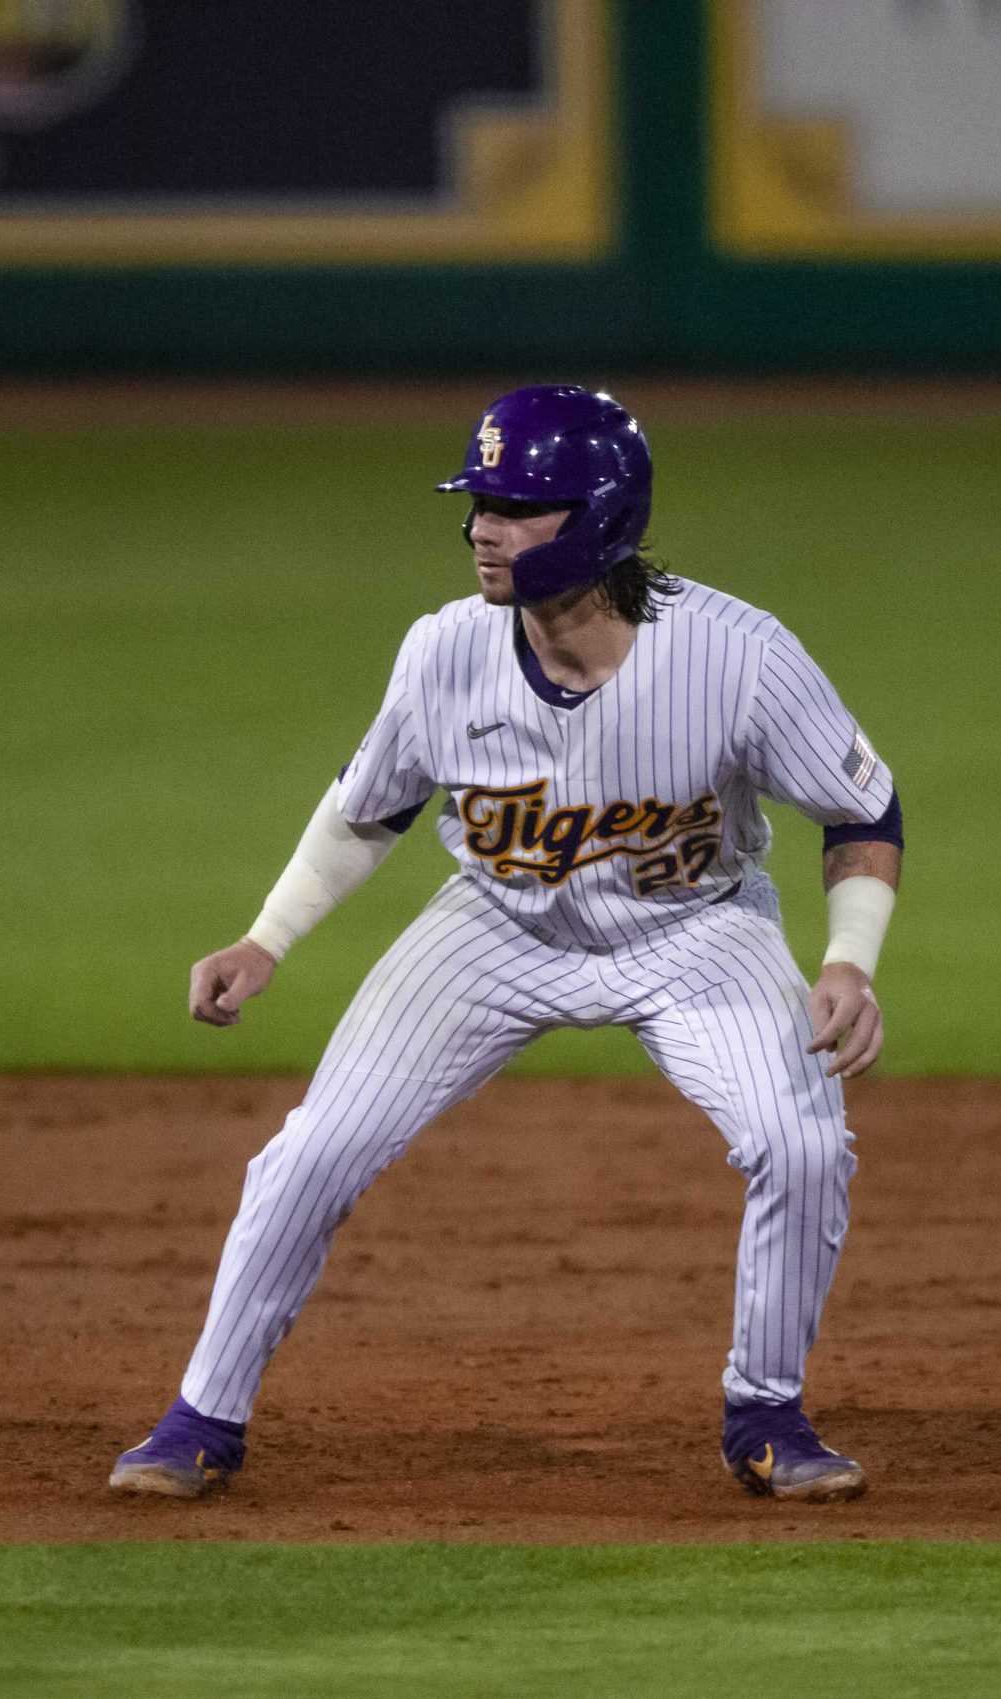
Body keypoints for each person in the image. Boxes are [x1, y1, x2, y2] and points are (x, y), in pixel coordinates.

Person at [109, 385, 904, 1504]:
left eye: (517, 505)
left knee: (804, 1143)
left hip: (697, 930)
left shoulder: (737, 656)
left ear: (599, 517)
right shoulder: (444, 649)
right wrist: (267, 936)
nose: (482, 526)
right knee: (310, 1150)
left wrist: (847, 959)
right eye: (479, 501)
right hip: (494, 924)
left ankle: (765, 1411)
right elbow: (367, 806)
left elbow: (862, 808)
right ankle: (200, 1416)